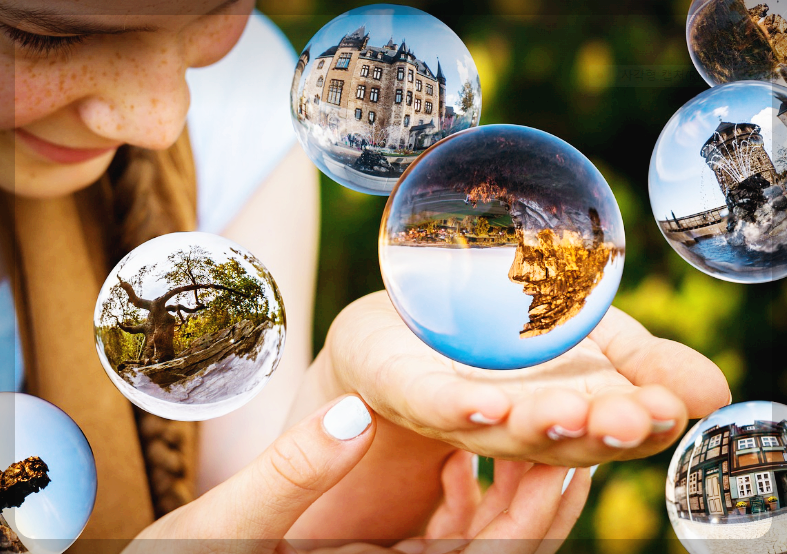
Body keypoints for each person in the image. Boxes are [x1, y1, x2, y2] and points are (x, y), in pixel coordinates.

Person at [0, 0, 731, 551]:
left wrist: (363, 440)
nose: (159, 119)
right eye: (39, 36)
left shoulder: (242, 98)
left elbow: (243, 507)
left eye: (218, 12)